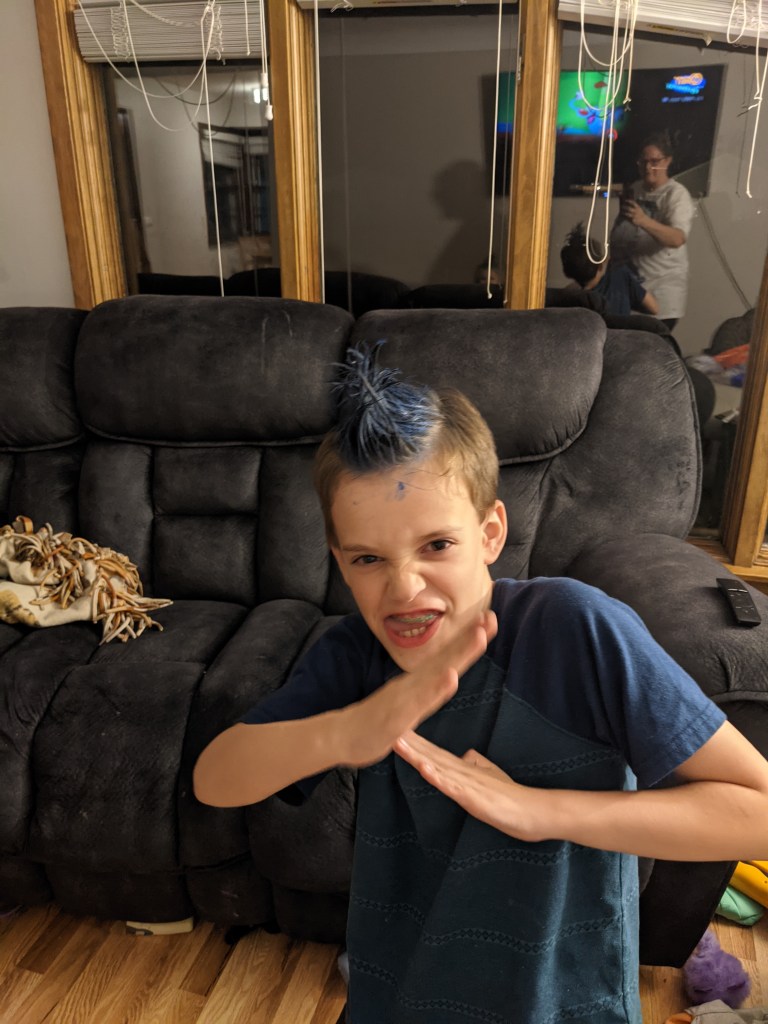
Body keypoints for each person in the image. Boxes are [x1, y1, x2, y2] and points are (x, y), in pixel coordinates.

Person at [193, 345, 768, 1024]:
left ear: (491, 532)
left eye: (436, 546)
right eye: (369, 559)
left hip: (563, 1002)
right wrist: (344, 732)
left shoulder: (573, 630)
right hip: (398, 995)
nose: (404, 588)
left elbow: (757, 812)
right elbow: (215, 780)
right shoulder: (354, 659)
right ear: (340, 563)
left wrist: (538, 811)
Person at [610, 132, 696, 329]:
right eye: (643, 162)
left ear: (667, 161)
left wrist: (643, 220)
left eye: (655, 161)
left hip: (662, 292)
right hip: (633, 289)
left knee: (651, 344)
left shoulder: (676, 194)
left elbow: (677, 239)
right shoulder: (635, 188)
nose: (648, 167)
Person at [560, 221, 659, 316]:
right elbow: (654, 308)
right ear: (600, 265)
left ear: (567, 273)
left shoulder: (571, 298)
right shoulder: (620, 276)